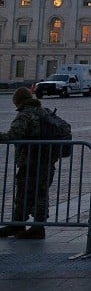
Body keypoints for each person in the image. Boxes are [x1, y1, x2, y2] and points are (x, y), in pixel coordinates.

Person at [0, 88, 63, 239]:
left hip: (30, 161)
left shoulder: (25, 114)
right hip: (47, 160)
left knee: (24, 192)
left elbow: (14, 134)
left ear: (18, 101)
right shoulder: (45, 111)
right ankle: (34, 225)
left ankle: (27, 226)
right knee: (40, 193)